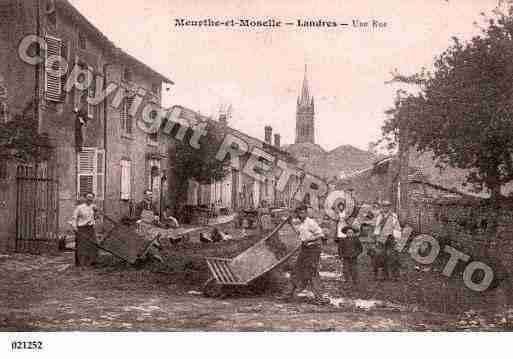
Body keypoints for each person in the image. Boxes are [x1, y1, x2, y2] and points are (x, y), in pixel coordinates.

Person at [281, 204, 329, 305]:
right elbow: (297, 232)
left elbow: (320, 235)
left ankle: (319, 298)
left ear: (306, 213)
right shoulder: (300, 224)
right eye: (299, 213)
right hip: (304, 249)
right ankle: (286, 295)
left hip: (313, 249)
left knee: (312, 272)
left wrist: (308, 239)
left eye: (302, 212)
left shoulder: (311, 222)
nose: (300, 214)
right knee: (296, 270)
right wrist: (289, 222)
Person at [372, 200, 402, 280]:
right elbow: (376, 227)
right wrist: (376, 238)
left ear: (389, 207)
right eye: (384, 206)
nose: (386, 208)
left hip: (391, 238)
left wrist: (397, 238)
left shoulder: (393, 216)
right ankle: (382, 275)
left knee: (393, 256)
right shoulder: (379, 216)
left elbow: (397, 227)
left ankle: (395, 276)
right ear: (382, 207)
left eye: (387, 206)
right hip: (381, 238)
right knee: (380, 256)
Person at [71, 192, 99, 266]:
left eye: (91, 197)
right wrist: (74, 227)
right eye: (88, 197)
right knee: (81, 246)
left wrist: (96, 212)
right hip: (82, 228)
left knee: (93, 245)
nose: (90, 199)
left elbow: (96, 218)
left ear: (93, 199)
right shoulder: (79, 207)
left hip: (90, 228)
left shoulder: (93, 207)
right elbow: (74, 218)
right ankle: (81, 263)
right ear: (85, 198)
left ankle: (91, 262)